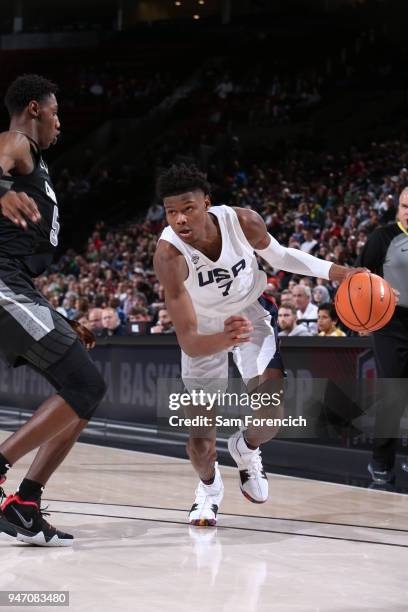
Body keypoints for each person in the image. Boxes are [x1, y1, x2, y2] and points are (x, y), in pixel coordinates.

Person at [154, 163, 362, 526]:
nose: (180, 220)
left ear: (207, 203)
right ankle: (208, 488)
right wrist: (223, 338)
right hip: (204, 331)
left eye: (188, 208)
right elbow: (188, 341)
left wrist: (340, 273)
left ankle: (245, 449)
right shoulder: (168, 257)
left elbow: (281, 256)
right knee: (200, 445)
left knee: (271, 414)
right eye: (172, 212)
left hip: (249, 312)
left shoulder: (242, 221)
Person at [0, 75, 106, 546]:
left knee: (83, 392)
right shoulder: (15, 141)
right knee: (85, 383)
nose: (61, 123)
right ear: (34, 109)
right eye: (56, 112)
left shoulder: (34, 161)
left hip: (19, 285)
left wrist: (59, 316)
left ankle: (25, 502)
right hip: (3, 283)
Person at [358, 187, 408, 484]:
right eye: (403, 206)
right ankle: (380, 460)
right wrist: (382, 291)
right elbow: (361, 278)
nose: (407, 211)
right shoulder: (382, 237)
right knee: (394, 391)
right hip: (391, 324)